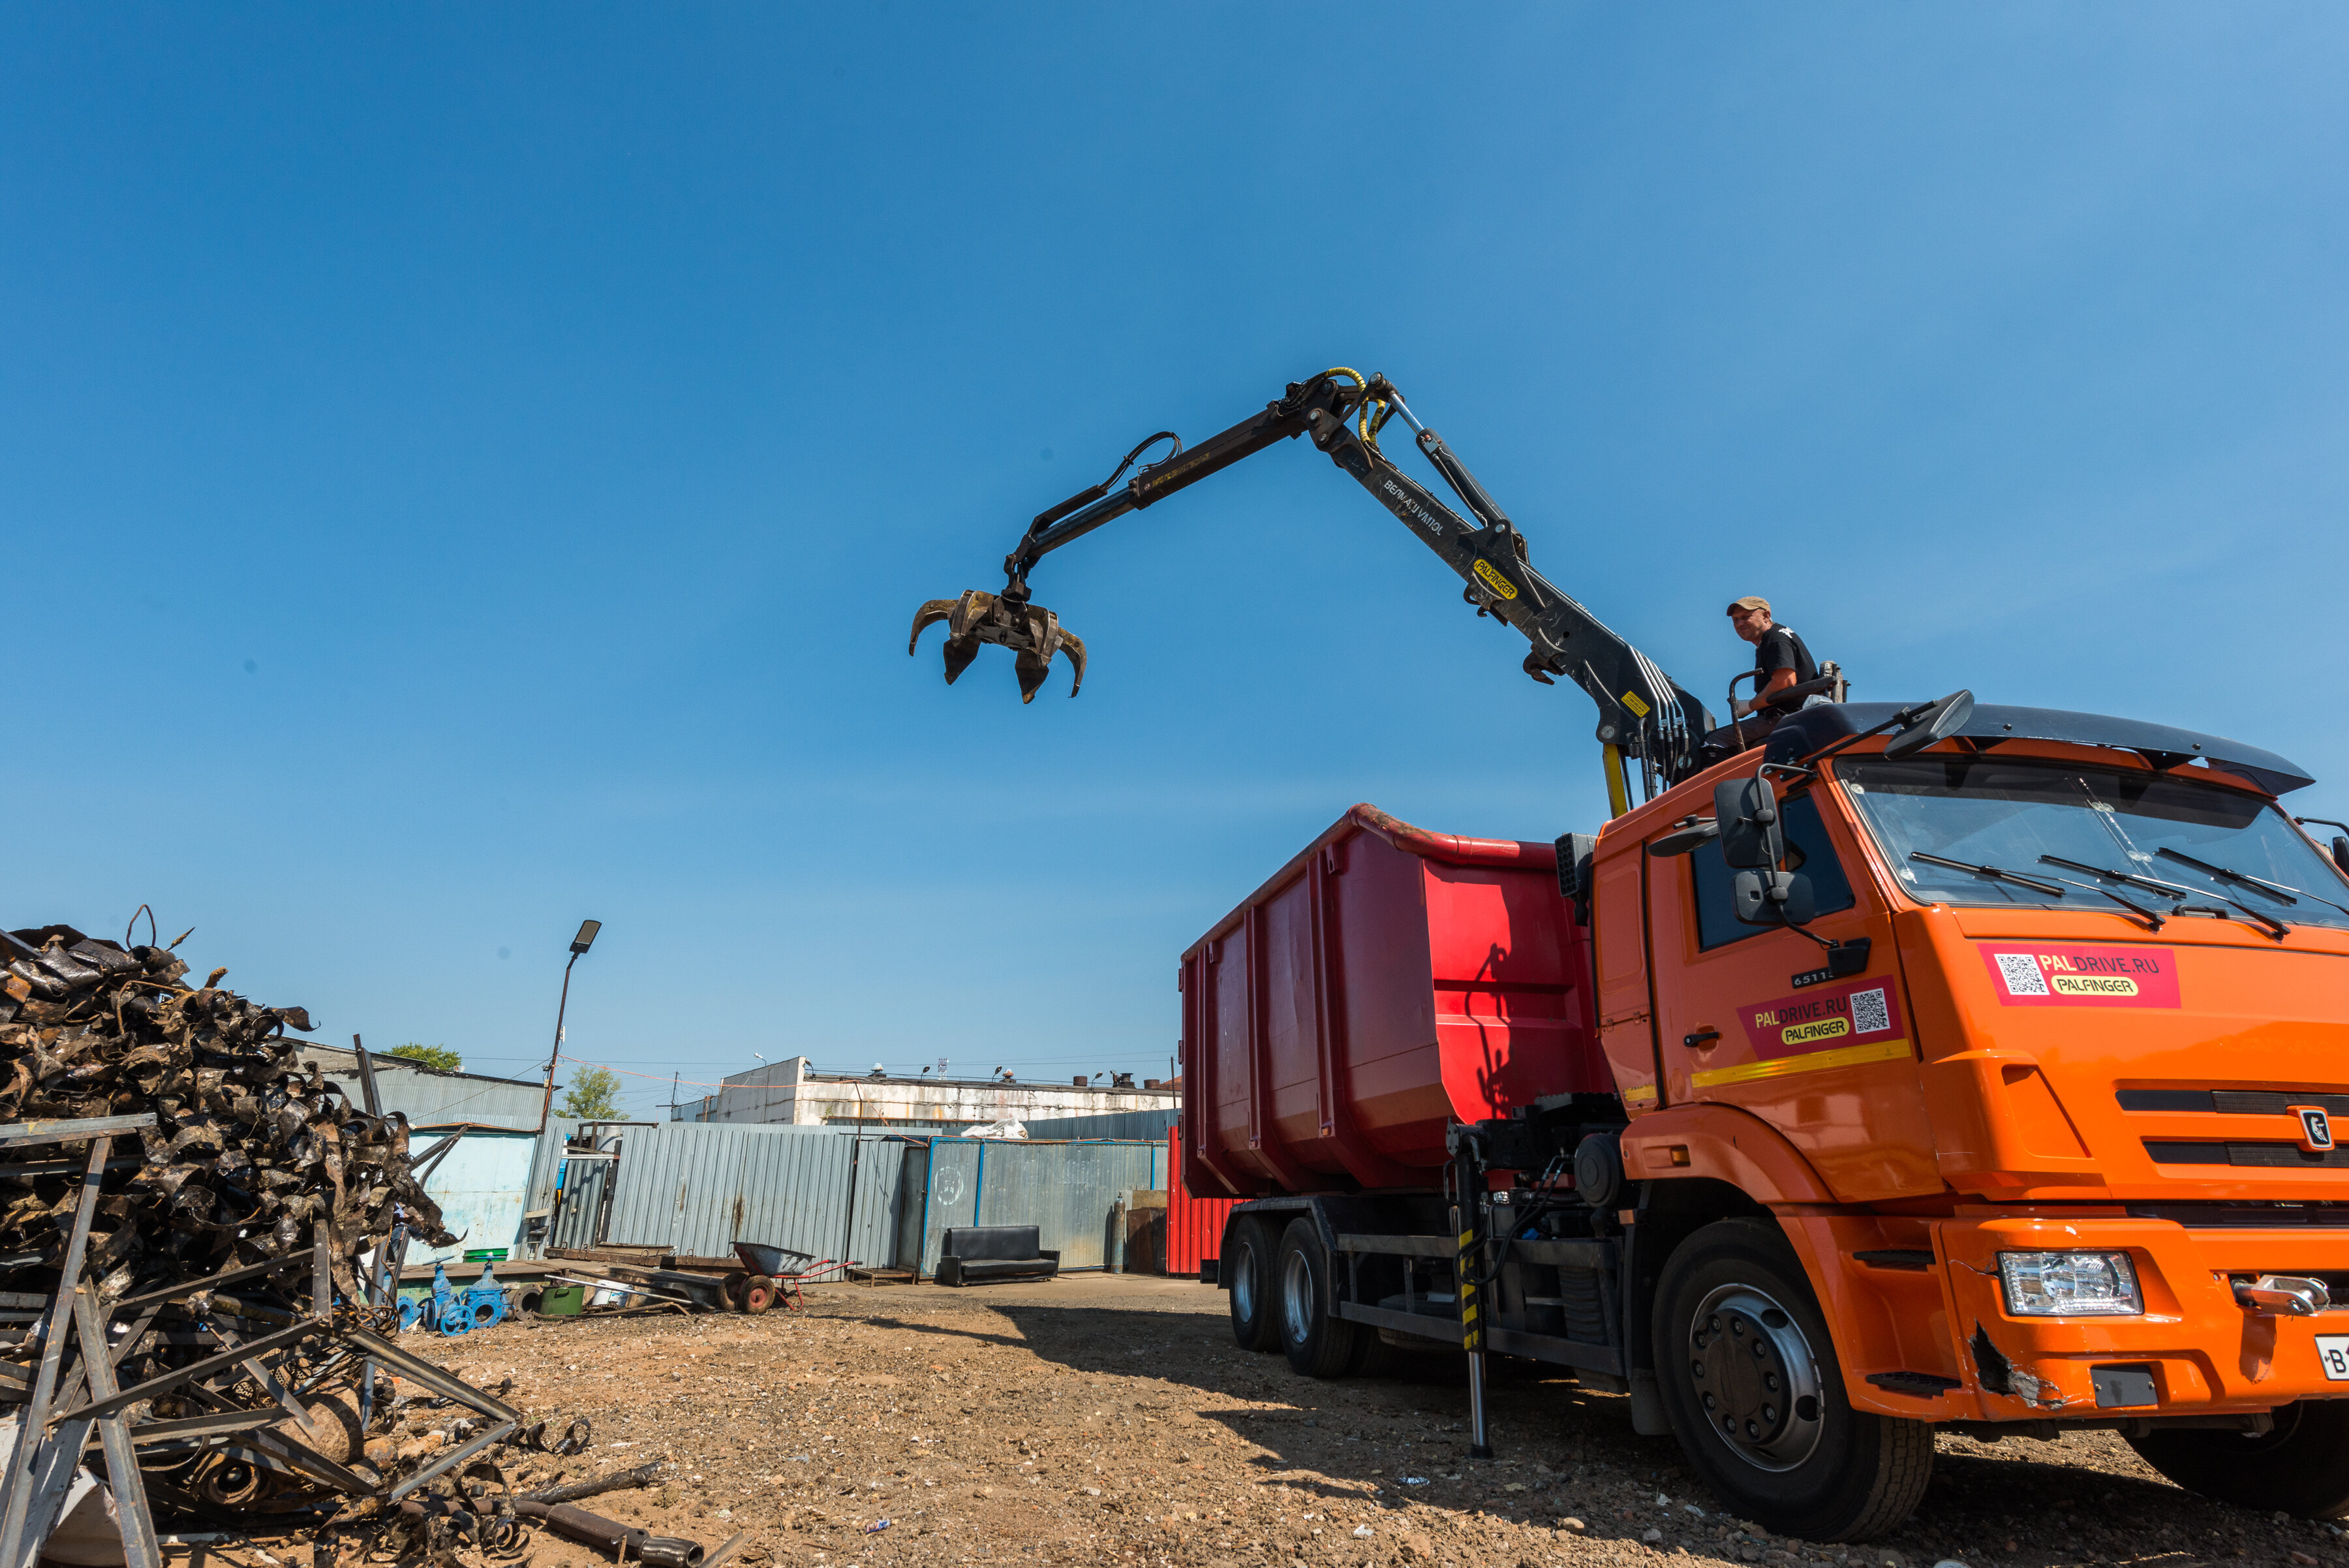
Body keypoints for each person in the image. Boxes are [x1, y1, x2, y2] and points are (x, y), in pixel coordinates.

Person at [1727, 596, 1820, 720]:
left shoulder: (1774, 638)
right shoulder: (1774, 636)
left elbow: (1785, 681)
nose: (1739, 624)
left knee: (1715, 739)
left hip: (1789, 718)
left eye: (1746, 617)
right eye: (1735, 620)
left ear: (1766, 616)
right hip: (1794, 716)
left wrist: (1750, 706)